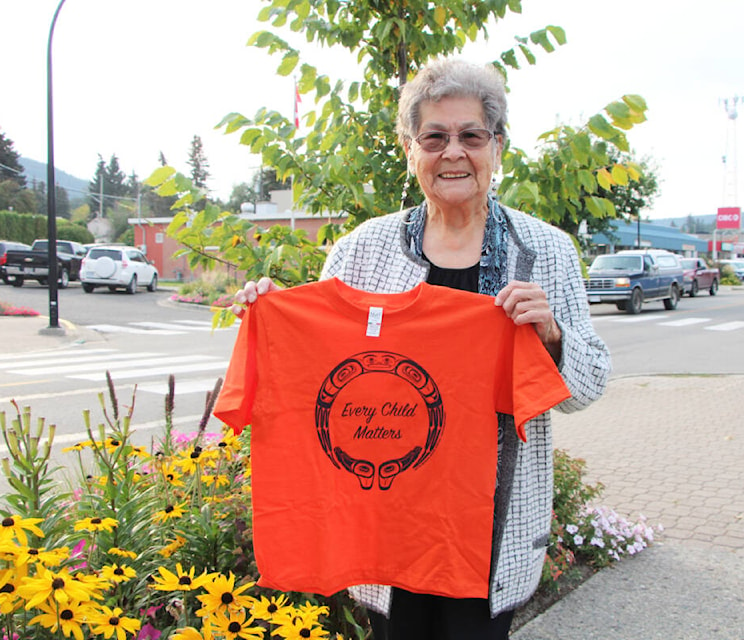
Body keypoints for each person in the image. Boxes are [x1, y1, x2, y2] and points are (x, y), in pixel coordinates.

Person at [233, 58, 611, 640]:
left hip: (488, 529)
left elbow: (587, 388)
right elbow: (326, 361)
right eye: (434, 137)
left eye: (471, 136)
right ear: (411, 150)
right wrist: (275, 318)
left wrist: (552, 338)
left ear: (498, 146)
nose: (453, 152)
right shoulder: (364, 249)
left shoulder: (547, 251)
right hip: (385, 518)